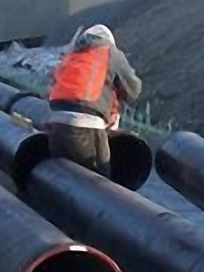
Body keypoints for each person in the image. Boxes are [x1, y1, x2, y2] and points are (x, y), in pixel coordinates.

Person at [47, 24, 142, 177]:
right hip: (86, 127)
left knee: (64, 182)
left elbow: (53, 86)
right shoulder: (110, 52)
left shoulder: (71, 56)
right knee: (99, 186)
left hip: (56, 126)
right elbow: (133, 90)